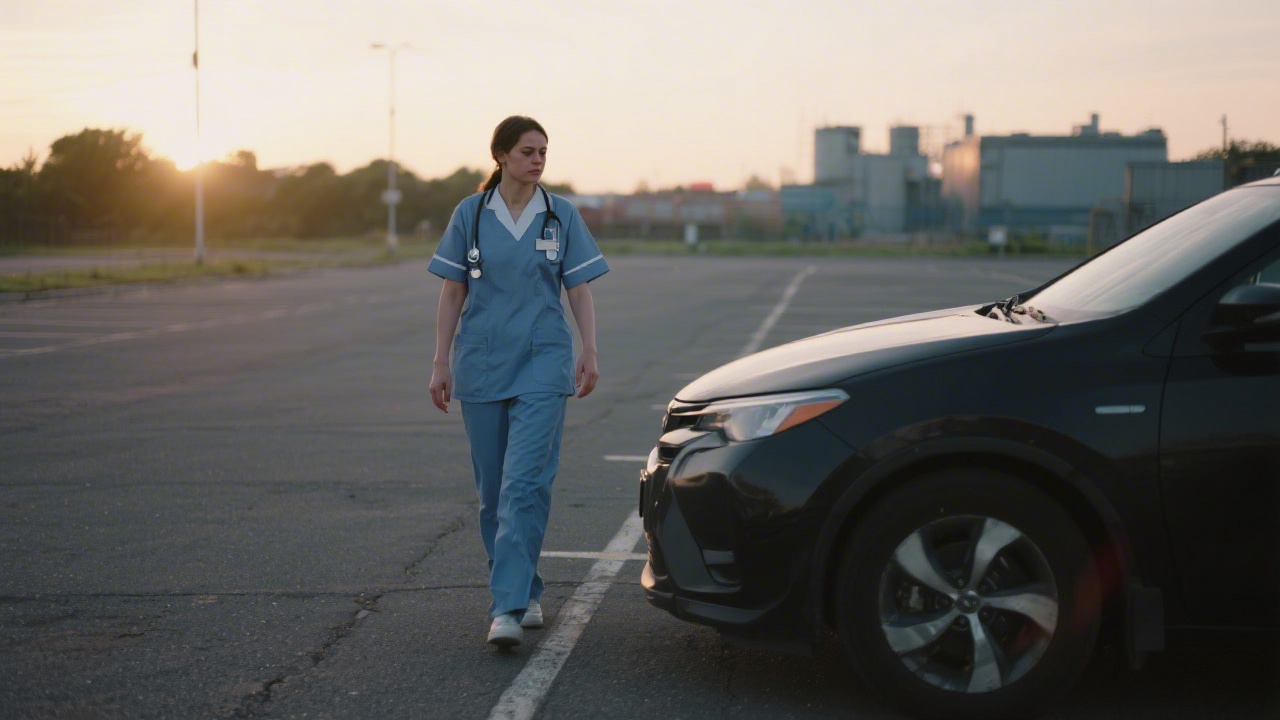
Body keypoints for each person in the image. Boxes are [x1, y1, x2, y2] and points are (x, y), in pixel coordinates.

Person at [427, 116, 608, 648]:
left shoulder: (561, 215)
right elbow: (452, 292)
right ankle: (525, 588)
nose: (538, 160)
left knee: (524, 483)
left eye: (544, 152)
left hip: (543, 363)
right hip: (480, 363)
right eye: (528, 151)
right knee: (492, 494)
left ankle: (504, 607)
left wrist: (589, 349)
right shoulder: (470, 214)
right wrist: (440, 362)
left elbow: (578, 290)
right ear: (501, 155)